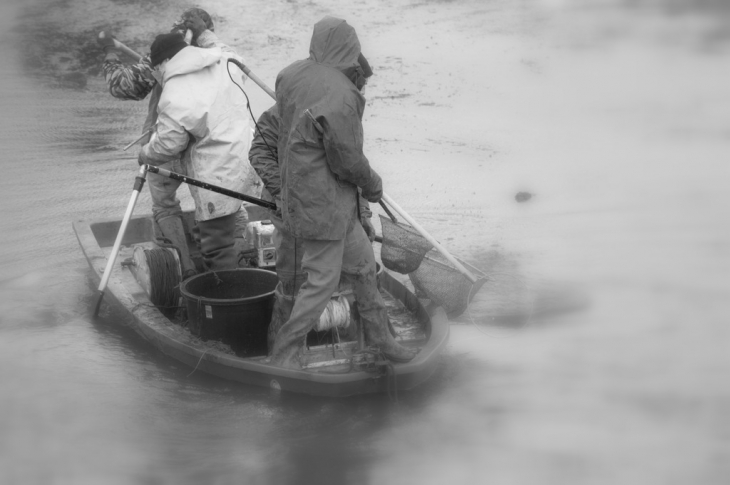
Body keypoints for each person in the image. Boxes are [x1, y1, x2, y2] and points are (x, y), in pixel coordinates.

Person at [267, 16, 416, 368]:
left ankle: (383, 340)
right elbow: (347, 160)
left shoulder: (290, 75)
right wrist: (373, 184)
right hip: (322, 205)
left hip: (326, 200)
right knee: (321, 283)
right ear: (350, 50)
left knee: (364, 265)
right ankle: (283, 357)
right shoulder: (342, 95)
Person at [97, 9, 256, 275]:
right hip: (215, 147)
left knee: (164, 202)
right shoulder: (217, 54)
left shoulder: (165, 54)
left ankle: (184, 266)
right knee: (229, 198)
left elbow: (124, 86)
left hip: (168, 141)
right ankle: (235, 258)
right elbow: (232, 56)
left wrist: (109, 54)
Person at [248, 104, 376, 351]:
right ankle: (283, 356)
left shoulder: (340, 111)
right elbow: (259, 153)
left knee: (354, 279)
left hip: (338, 213)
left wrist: (364, 213)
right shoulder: (280, 113)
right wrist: (286, 194)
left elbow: (355, 166)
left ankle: (362, 346)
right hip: (293, 215)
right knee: (292, 288)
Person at [136, 29, 259, 272]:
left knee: (215, 247)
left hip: (215, 169)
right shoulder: (225, 61)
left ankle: (223, 292)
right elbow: (234, 55)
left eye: (157, 68)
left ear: (164, 63)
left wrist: (145, 154)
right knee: (234, 209)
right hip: (246, 159)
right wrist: (205, 33)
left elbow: (169, 144)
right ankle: (244, 266)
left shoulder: (176, 89)